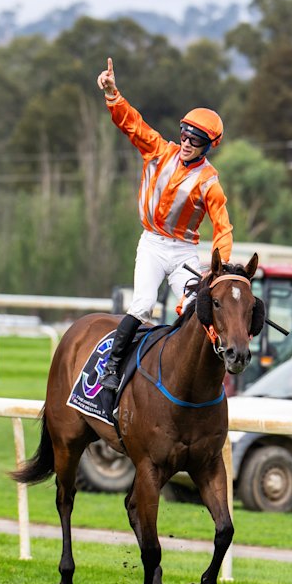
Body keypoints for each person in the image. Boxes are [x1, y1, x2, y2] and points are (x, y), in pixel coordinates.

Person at [96, 57, 233, 391]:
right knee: (142, 304)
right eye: (185, 136)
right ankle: (112, 368)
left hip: (184, 251)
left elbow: (223, 228)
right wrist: (113, 94)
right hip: (153, 245)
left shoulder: (210, 182)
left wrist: (219, 267)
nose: (186, 143)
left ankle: (189, 372)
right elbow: (132, 123)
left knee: (193, 308)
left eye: (195, 140)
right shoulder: (158, 151)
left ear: (208, 146)